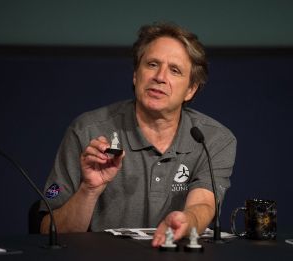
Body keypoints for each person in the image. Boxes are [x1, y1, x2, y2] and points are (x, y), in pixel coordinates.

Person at [40, 22, 237, 247]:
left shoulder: (213, 139)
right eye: (152, 64)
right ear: (136, 75)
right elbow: (48, 230)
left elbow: (203, 204)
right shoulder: (88, 131)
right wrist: (89, 189)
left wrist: (187, 219)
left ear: (191, 89)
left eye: (175, 70)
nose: (160, 77)